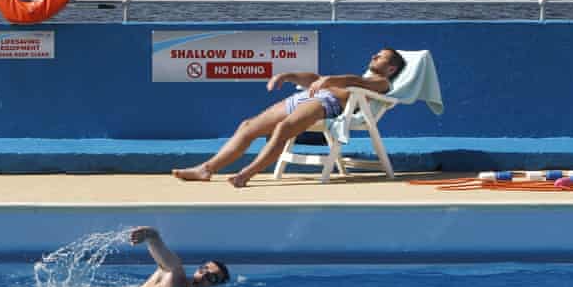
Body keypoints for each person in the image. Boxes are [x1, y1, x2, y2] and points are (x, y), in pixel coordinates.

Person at [173, 48, 406, 188]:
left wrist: (329, 81)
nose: (374, 56)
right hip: (307, 96)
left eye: (381, 57)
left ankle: (246, 175)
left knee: (284, 129)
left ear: (392, 68)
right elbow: (316, 77)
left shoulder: (381, 83)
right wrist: (287, 76)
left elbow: (357, 82)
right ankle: (206, 169)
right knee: (248, 126)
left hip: (326, 103)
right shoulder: (348, 79)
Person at [130, 226, 230, 287]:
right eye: (203, 269)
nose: (203, 275)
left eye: (211, 277)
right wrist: (151, 235)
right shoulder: (176, 275)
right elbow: (165, 259)